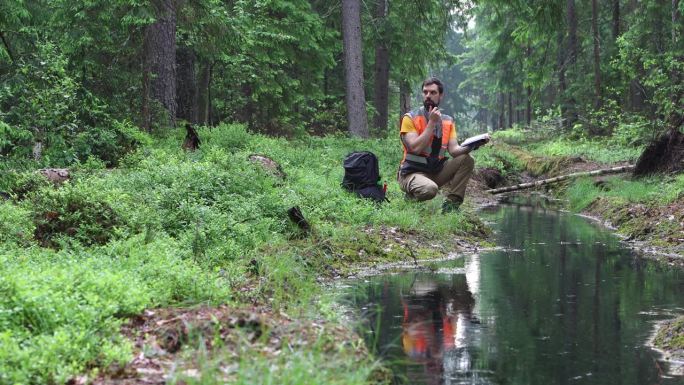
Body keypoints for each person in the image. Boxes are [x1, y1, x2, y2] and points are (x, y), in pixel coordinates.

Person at [398, 77, 489, 213]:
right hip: (411, 173)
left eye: (433, 92)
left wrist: (475, 144)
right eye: (425, 92)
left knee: (467, 160)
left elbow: (454, 151)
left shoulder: (447, 121)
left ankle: (451, 206)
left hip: (435, 172)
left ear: (441, 95)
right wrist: (432, 123)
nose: (428, 96)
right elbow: (415, 148)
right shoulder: (410, 118)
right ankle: (410, 198)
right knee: (430, 189)